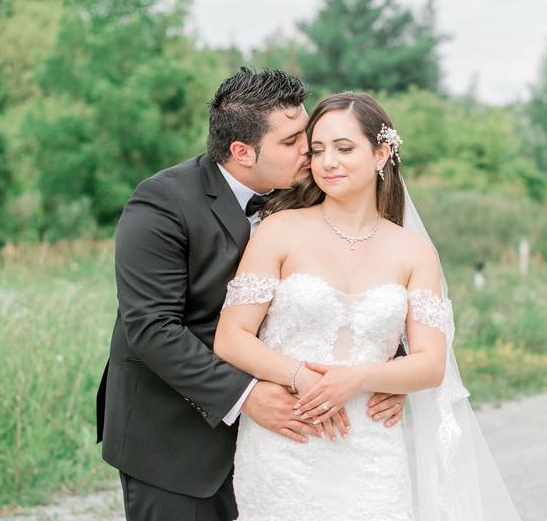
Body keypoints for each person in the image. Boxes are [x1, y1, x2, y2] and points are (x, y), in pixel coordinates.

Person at [95, 68, 406, 521]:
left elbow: (355, 282)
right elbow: (151, 327)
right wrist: (246, 395)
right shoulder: (161, 203)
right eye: (292, 142)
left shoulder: (309, 193)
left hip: (288, 450)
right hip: (175, 439)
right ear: (242, 151)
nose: (310, 151)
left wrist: (386, 372)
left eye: (308, 135)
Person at [214, 92, 521, 520]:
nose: (327, 162)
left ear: (382, 152)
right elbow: (230, 338)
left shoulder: (413, 252)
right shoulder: (279, 231)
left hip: (372, 450)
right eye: (317, 150)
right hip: (287, 444)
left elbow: (431, 364)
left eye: (344, 148)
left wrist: (357, 378)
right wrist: (300, 376)